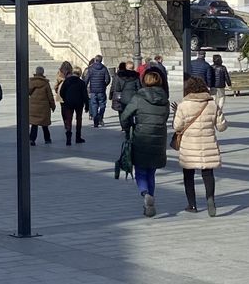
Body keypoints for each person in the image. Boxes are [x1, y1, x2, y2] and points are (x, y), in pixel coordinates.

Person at [119, 68, 170, 217]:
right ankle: (150, 201)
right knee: (151, 172)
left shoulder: (138, 98)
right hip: (158, 139)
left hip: (141, 137)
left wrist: (128, 128)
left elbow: (124, 116)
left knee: (140, 171)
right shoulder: (164, 99)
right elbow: (165, 118)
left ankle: (145, 194)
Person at [173, 76, 221, 215]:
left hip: (189, 146)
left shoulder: (183, 105)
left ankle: (192, 205)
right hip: (208, 143)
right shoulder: (212, 104)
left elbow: (177, 126)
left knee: (188, 175)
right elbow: (222, 126)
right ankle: (210, 198)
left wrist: (176, 115)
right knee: (208, 173)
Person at [59, 66, 89, 143]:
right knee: (79, 119)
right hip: (79, 103)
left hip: (69, 103)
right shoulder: (81, 83)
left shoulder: (67, 81)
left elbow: (62, 92)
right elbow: (85, 95)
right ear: (80, 74)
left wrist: (65, 99)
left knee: (69, 119)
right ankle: (78, 137)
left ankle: (68, 138)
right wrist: (87, 105)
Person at [27, 66, 55, 145]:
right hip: (44, 107)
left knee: (34, 124)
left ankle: (32, 139)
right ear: (43, 73)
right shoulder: (45, 83)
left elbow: (27, 92)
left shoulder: (31, 82)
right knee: (44, 124)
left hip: (33, 107)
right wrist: (53, 106)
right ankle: (47, 139)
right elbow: (50, 95)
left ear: (36, 72)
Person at [85, 55, 111, 127]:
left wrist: (85, 86)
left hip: (93, 90)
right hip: (101, 90)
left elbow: (86, 79)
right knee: (102, 104)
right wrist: (104, 85)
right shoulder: (104, 68)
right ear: (101, 60)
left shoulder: (91, 68)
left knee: (94, 105)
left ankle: (95, 121)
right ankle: (100, 117)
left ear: (95, 60)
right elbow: (108, 79)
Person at [208, 53, 233, 118]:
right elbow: (227, 77)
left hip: (213, 85)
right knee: (222, 97)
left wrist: (209, 84)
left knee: (213, 97)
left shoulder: (211, 67)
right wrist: (229, 84)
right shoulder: (223, 67)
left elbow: (209, 76)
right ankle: (219, 110)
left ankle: (214, 109)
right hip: (220, 85)